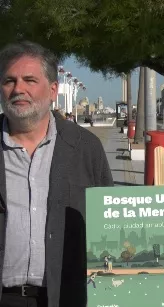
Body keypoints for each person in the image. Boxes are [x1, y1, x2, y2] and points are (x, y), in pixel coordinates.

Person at [0, 41, 113, 307]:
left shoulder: (86, 148)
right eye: (9, 80)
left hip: (65, 297)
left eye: (30, 80)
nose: (19, 89)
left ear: (53, 90)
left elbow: (111, 221)